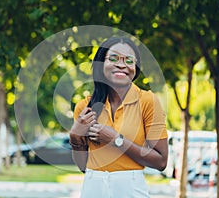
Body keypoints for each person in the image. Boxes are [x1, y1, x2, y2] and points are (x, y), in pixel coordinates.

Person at [69, 36, 168, 198]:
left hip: (131, 188)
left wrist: (116, 139)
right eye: (113, 58)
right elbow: (83, 166)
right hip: (93, 186)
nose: (122, 65)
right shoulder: (85, 107)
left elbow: (161, 161)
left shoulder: (148, 101)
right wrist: (75, 136)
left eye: (129, 60)